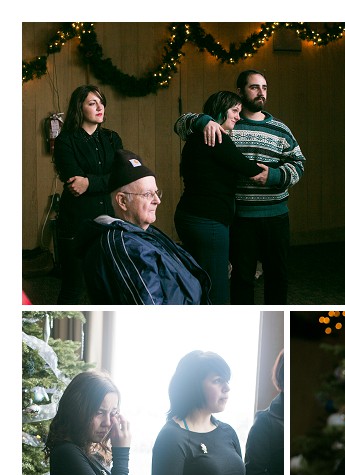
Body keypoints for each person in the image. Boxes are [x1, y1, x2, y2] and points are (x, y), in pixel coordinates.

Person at [175, 70, 306, 304]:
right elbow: (180, 125)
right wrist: (203, 120)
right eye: (254, 87)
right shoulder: (220, 127)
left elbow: (299, 165)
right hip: (240, 216)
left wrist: (275, 176)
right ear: (240, 92)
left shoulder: (281, 129)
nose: (261, 92)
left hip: (276, 215)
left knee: (278, 276)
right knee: (241, 278)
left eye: (264, 87)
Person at [80, 150, 211, 305]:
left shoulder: (141, 232)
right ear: (122, 201)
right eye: (148, 194)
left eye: (156, 193)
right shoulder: (124, 245)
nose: (157, 201)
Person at [174, 91, 268, 304]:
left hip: (189, 215)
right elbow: (247, 168)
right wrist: (273, 173)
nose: (238, 116)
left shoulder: (195, 137)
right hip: (208, 221)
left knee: (197, 280)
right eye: (234, 111)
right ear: (219, 109)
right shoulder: (216, 138)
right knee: (216, 287)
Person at [52, 85, 123, 303]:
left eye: (101, 102)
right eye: (92, 103)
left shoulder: (112, 138)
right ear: (79, 108)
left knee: (108, 286)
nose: (100, 107)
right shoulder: (65, 140)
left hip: (109, 221)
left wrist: (89, 182)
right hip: (76, 223)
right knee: (74, 286)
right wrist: (103, 181)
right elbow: (75, 184)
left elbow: (121, 178)